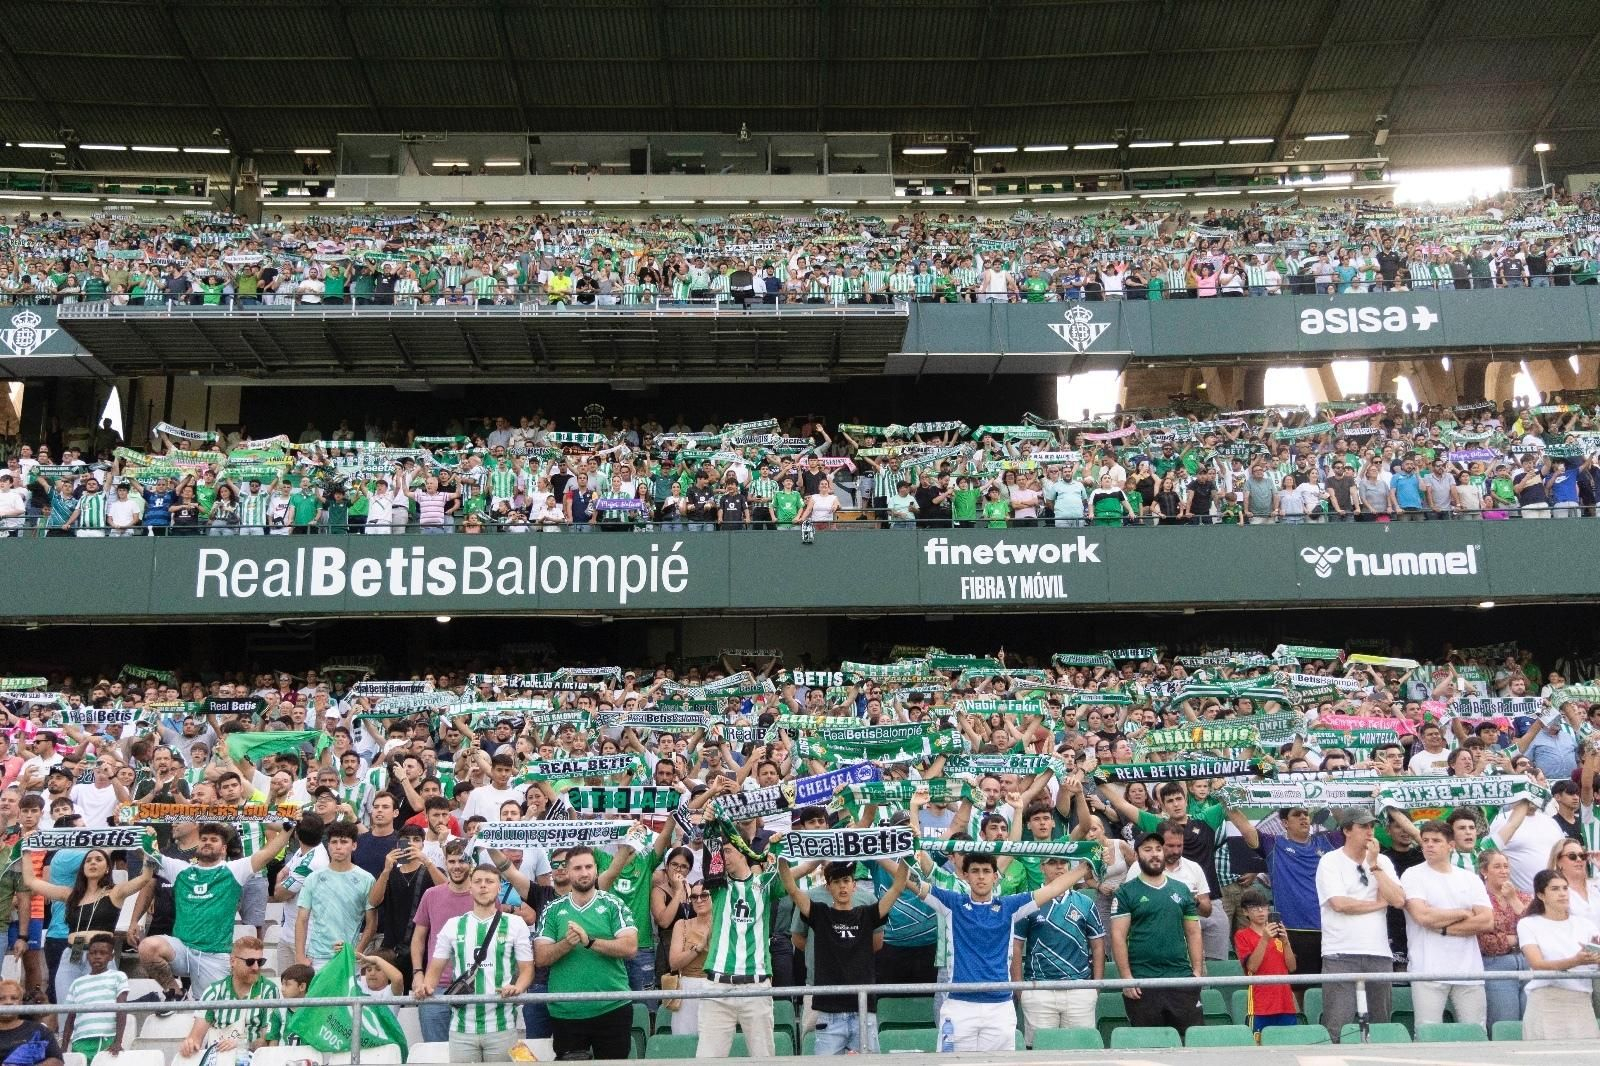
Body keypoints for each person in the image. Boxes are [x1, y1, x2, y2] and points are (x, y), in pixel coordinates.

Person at [913, 850, 1093, 1051]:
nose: (981, 876)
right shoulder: (953, 904)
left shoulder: (1010, 906)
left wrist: (1087, 866)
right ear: (965, 875)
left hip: (1000, 1007)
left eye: (986, 871)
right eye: (975, 871)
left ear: (995, 876)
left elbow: (1052, 889)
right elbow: (911, 882)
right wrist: (885, 852)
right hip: (958, 1005)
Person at [139, 819, 295, 994]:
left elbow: (266, 854)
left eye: (214, 840)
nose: (207, 842)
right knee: (148, 947)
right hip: (182, 949)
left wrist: (287, 830)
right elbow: (149, 855)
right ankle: (174, 992)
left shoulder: (234, 870)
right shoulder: (181, 869)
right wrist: (145, 835)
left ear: (223, 849)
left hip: (214, 955)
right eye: (204, 839)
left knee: (211, 1013)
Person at [777, 856, 909, 1054]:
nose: (842, 887)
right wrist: (782, 858)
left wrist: (904, 848)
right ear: (828, 887)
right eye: (836, 882)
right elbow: (791, 887)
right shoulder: (820, 914)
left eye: (846, 881)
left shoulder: (867, 914)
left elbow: (898, 886)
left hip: (863, 1010)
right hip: (829, 1014)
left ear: (854, 885)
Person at [416, 864, 535, 1062]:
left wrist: (517, 987)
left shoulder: (515, 923)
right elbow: (435, 969)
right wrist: (426, 987)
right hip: (461, 1028)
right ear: (470, 887)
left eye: (489, 882)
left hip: (502, 1025)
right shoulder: (453, 925)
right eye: (478, 881)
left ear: (499, 888)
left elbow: (527, 969)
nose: (483, 886)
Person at [533, 846, 637, 1061]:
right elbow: (541, 958)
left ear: (596, 870)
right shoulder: (552, 909)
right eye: (577, 868)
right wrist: (566, 944)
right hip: (567, 1011)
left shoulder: (613, 904)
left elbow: (630, 948)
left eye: (589, 866)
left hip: (612, 1007)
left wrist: (589, 942)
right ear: (568, 873)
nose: (584, 872)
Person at [1315, 809, 1406, 1041]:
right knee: (1338, 1023)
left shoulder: (1382, 860)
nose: (1369, 831)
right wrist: (1377, 904)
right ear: (1346, 830)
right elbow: (1339, 903)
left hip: (1378, 952)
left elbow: (1397, 900)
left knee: (1381, 1024)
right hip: (1340, 951)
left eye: (1371, 827)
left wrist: (1374, 865)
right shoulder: (1330, 861)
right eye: (1363, 826)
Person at [1110, 832, 1205, 1036]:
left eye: (1158, 849)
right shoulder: (1126, 892)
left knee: (1193, 1045)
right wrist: (1126, 978)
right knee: (1148, 1046)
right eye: (1147, 849)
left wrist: (1196, 973)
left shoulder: (1181, 889)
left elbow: (1194, 933)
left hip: (1181, 979)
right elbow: (1118, 937)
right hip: (1142, 982)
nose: (1155, 854)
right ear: (1136, 855)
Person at [1399, 820, 1492, 1028]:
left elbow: (1486, 920)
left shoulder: (1469, 878)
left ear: (1451, 845)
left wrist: (1444, 928)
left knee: (1476, 1032)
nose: (1429, 845)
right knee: (1427, 1031)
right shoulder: (1413, 874)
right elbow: (1422, 916)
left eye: (1436, 841)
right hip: (1427, 968)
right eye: (1425, 841)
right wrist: (1462, 913)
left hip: (1469, 970)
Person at [1012, 853, 1107, 1043]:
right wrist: (1020, 989)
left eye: (1063, 862)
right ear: (1041, 867)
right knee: (1040, 1055)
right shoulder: (1029, 902)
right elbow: (1015, 947)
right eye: (1052, 863)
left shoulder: (1085, 903)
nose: (1059, 867)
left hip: (1079, 989)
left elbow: (1098, 946)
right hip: (1039, 990)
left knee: (1081, 1053)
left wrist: (1095, 986)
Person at [1518, 869, 1600, 1040]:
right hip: (1546, 1000)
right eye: (1555, 889)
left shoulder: (1585, 924)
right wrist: (1575, 961)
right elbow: (1537, 964)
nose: (1562, 894)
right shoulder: (1528, 924)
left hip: (1581, 1001)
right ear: (1541, 895)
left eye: (1565, 888)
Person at [177, 935, 282, 1059]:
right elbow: (195, 1039)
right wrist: (189, 1045)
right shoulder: (214, 991)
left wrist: (241, 1044)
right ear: (233, 961)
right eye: (250, 962)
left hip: (251, 1059)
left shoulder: (269, 990)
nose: (256, 967)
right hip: (218, 1057)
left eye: (260, 962)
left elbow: (267, 1041)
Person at [295, 819, 376, 967]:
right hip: (317, 957)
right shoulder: (313, 878)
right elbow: (302, 919)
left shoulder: (367, 879)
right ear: (328, 845)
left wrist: (356, 951)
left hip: (348, 956)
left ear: (354, 845)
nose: (338, 847)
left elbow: (371, 922)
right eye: (334, 842)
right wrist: (300, 957)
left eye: (344, 842)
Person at [1476, 849, 1531, 1032]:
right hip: (1496, 965)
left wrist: (1513, 900)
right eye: (1497, 867)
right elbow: (1486, 941)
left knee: (1530, 1022)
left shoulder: (1523, 896)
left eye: (1506, 866)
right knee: (1505, 1022)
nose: (1503, 871)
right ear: (1484, 871)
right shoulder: (1479, 899)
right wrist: (1520, 939)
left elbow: (1535, 930)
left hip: (1527, 963)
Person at [1234, 890, 1296, 1035]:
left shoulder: (1279, 934)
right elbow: (1252, 967)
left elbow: (1292, 967)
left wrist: (1286, 942)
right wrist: (1265, 939)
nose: (1261, 911)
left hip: (1285, 1002)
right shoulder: (1242, 935)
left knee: (1290, 1045)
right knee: (1259, 1048)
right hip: (1260, 1005)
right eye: (1255, 908)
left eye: (1264, 907)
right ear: (1245, 912)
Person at [59, 934, 128, 1059]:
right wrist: (64, 1047)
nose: (97, 957)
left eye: (103, 953)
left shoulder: (118, 977)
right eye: (93, 953)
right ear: (87, 955)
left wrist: (118, 1041)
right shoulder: (77, 983)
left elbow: (121, 1009)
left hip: (105, 1038)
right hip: (80, 1040)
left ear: (111, 957)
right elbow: (70, 1018)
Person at [0, 978, 62, 1066]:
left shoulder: (40, 1031)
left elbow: (57, 1061)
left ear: (20, 1002)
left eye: (14, 998)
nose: (8, 1002)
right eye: (1, 998)